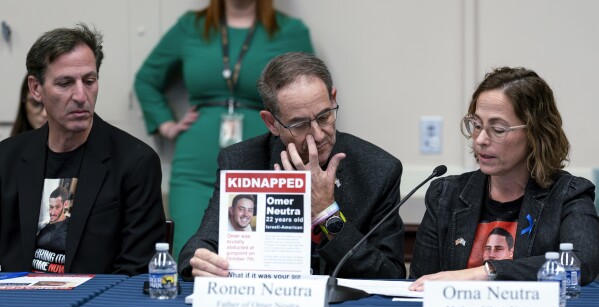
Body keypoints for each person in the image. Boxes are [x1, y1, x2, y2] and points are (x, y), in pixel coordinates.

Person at [179, 52, 405, 280]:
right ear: (271, 123)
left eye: (325, 116)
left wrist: (327, 214)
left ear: (333, 99)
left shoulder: (378, 170)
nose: (317, 135)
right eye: (299, 124)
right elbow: (202, 242)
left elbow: (390, 275)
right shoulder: (241, 161)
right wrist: (201, 262)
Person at [134, 0, 313, 260]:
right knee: (191, 255)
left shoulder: (290, 30)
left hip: (264, 166)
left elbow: (309, 92)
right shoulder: (191, 26)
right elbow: (146, 79)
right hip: (195, 170)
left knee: (256, 257)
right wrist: (165, 123)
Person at [409, 66, 599, 290]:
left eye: (497, 129)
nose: (480, 139)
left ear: (535, 133)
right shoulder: (446, 195)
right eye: (477, 125)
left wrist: (488, 272)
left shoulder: (568, 194)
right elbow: (420, 282)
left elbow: (579, 264)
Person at [0, 24, 165, 275]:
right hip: (17, 306)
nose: (81, 95)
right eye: (65, 83)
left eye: (89, 81)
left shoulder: (135, 163)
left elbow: (136, 271)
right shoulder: (7, 158)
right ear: (36, 89)